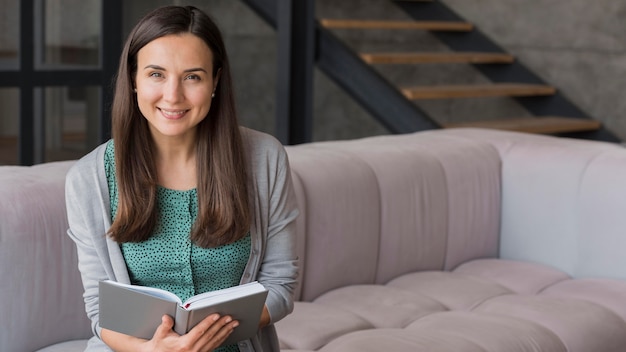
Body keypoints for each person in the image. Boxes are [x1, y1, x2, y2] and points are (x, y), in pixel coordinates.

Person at [65, 5, 299, 352]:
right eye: (156, 74)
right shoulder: (88, 179)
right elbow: (100, 312)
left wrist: (207, 338)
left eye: (192, 76)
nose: (173, 96)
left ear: (215, 81)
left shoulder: (265, 159)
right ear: (133, 78)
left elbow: (280, 286)